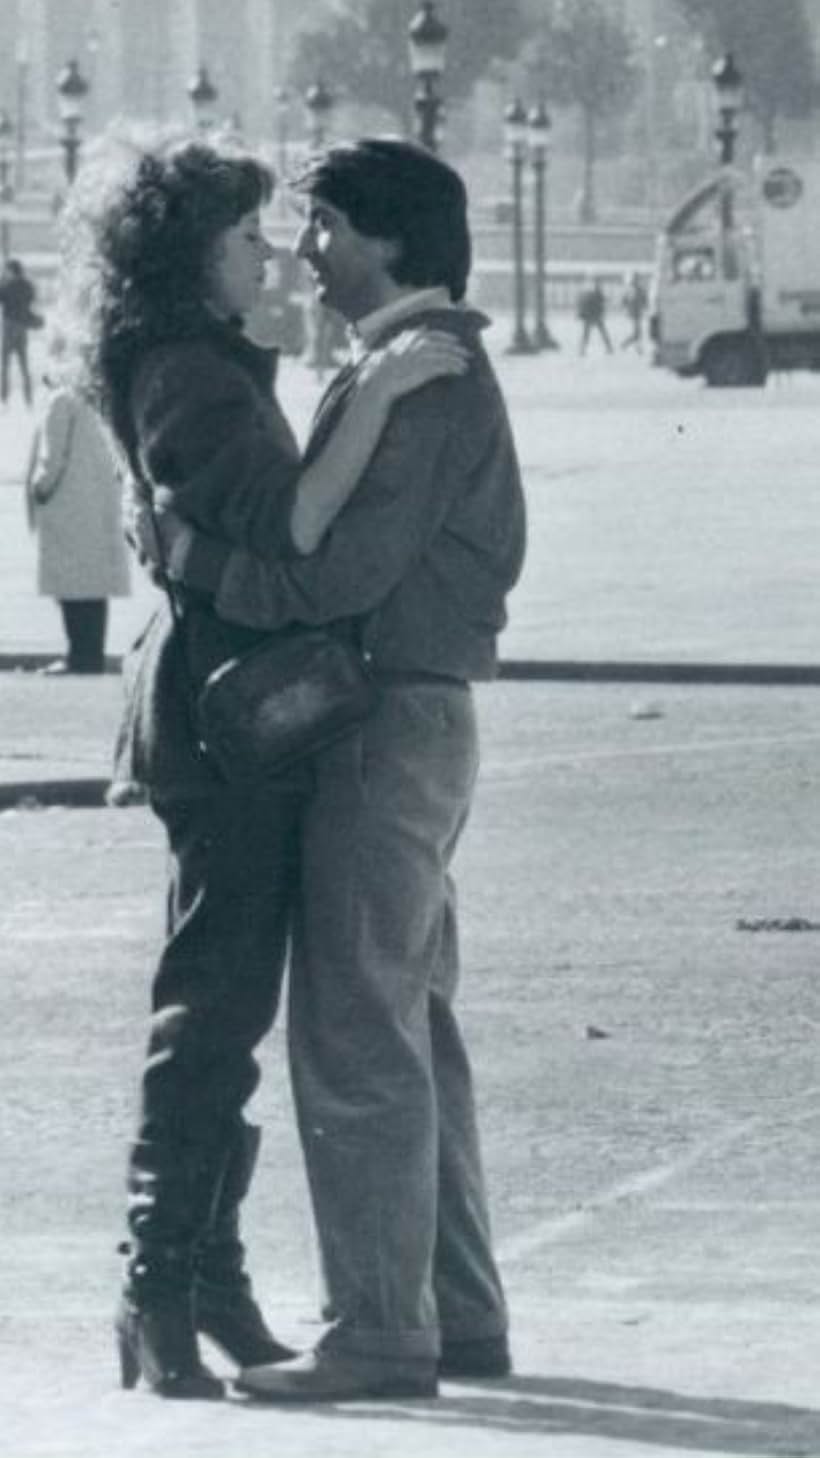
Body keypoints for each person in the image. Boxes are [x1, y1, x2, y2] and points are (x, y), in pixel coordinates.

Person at [60, 130, 468, 1401]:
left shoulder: (192, 361)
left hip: (234, 714)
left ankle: (203, 1279)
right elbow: (293, 526)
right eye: (244, 237)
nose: (270, 256)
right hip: (224, 723)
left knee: (224, 1002)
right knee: (212, 1003)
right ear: (193, 255)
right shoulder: (190, 370)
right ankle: (160, 1284)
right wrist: (387, 392)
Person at [142, 137, 527, 1403]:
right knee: (410, 1020)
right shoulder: (410, 365)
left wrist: (194, 563)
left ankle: (379, 1329)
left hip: (376, 726)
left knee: (353, 1031)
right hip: (412, 717)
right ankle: (452, 1311)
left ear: (387, 241)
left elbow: (332, 577)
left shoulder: (422, 377)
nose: (305, 252)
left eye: (325, 229)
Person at [25, 333, 131, 673]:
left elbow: (50, 460)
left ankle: (78, 656)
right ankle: (91, 654)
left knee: (71, 587)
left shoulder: (60, 402)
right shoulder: (98, 401)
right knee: (92, 587)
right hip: (99, 505)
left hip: (68, 504)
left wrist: (38, 489)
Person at [0, 257, 39, 405]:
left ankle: (4, 399)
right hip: (22, 327)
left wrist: (2, 281)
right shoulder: (28, 285)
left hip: (9, 326)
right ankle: (28, 399)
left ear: (11, 270)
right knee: (24, 365)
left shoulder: (7, 285)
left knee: (5, 365)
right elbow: (32, 299)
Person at [576, 275, 613, 356]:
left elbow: (583, 303)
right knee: (602, 332)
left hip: (589, 316)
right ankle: (609, 348)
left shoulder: (587, 292)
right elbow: (602, 301)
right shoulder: (597, 292)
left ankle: (582, 350)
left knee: (587, 334)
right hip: (595, 316)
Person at [621, 270, 648, 352]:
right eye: (636, 278)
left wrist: (645, 306)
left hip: (637, 311)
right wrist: (625, 308)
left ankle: (634, 346)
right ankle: (628, 344)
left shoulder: (639, 289)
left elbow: (644, 299)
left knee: (638, 331)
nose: (637, 280)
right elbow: (625, 300)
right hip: (633, 312)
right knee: (637, 331)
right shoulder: (631, 289)